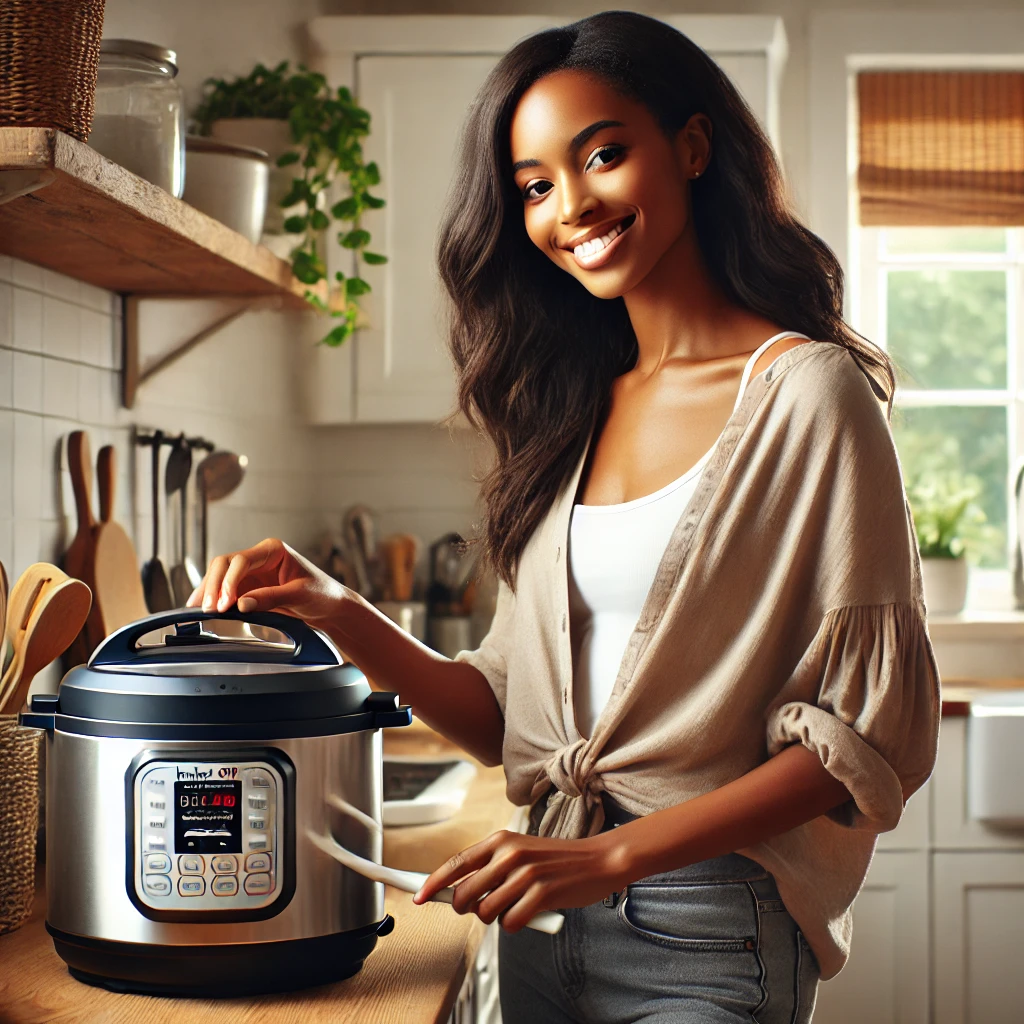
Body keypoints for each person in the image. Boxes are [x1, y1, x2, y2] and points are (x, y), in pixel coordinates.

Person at [190, 12, 941, 1023]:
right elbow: (509, 722)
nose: (569, 204)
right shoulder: (569, 410)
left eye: (601, 154)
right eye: (535, 186)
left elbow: (863, 741)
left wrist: (611, 853)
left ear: (690, 146)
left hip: (707, 926)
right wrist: (337, 610)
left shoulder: (809, 395)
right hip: (538, 916)